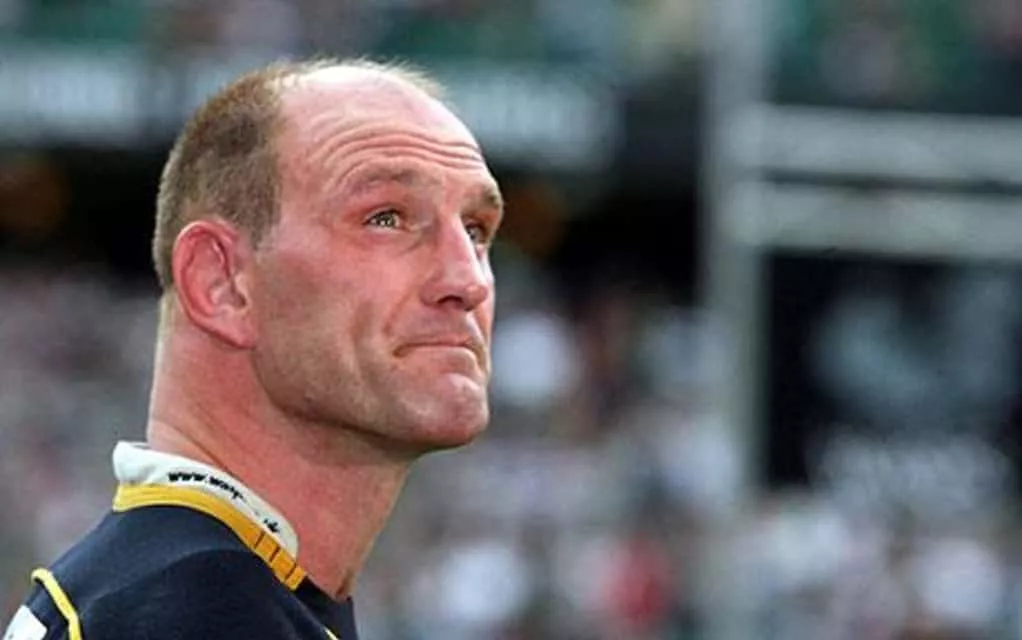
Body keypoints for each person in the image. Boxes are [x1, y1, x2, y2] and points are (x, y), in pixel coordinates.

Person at [2, 57, 504, 640]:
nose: (468, 280)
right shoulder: (195, 611)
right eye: (386, 218)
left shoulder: (164, 586)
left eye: (476, 230)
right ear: (220, 283)